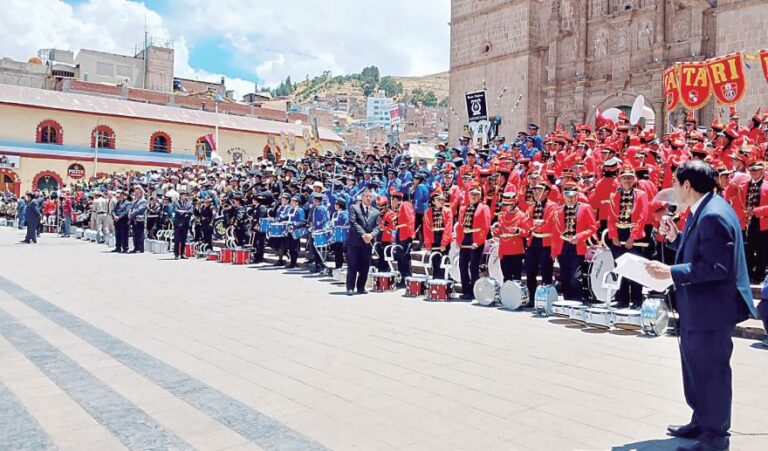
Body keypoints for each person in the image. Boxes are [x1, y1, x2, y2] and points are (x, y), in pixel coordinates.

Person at [647, 161, 757, 451]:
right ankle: (702, 420)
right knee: (696, 369)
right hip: (700, 308)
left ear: (687, 186)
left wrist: (670, 271)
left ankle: (715, 437)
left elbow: (717, 267)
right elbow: (702, 249)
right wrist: (676, 238)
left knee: (711, 372)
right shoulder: (707, 209)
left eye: (675, 183)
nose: (673, 190)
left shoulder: (713, 215)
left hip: (711, 311)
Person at [551, 181, 598, 302]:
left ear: (577, 196)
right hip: (562, 247)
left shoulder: (585, 208)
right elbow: (555, 233)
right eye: (568, 196)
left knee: (574, 277)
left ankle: (577, 301)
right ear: (564, 196)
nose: (570, 199)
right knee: (565, 277)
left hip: (577, 247)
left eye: (572, 196)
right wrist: (554, 251)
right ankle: (567, 302)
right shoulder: (558, 211)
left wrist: (580, 236)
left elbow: (592, 228)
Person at [455, 185, 491, 300]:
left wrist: (478, 242)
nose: (474, 196)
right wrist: (458, 240)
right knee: (462, 265)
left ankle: (474, 291)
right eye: (472, 194)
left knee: (474, 267)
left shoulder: (484, 208)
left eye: (476, 194)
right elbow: (460, 225)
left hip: (476, 238)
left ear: (479, 196)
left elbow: (485, 227)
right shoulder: (463, 208)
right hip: (465, 237)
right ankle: (466, 290)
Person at [347, 189, 380, 295]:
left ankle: (361, 287)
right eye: (366, 196)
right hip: (355, 242)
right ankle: (350, 288)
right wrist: (363, 234)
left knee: (365, 266)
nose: (369, 198)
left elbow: (378, 226)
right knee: (352, 265)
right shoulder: (354, 208)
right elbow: (353, 222)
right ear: (362, 197)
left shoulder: (376, 212)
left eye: (370, 196)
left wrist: (371, 235)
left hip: (367, 243)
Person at [492, 192, 528, 282]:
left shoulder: (521, 215)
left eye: (507, 205)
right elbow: (499, 233)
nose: (505, 207)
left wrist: (518, 230)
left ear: (514, 203)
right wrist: (494, 230)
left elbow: (526, 232)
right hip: (504, 250)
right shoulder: (502, 215)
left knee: (516, 278)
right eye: (504, 205)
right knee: (506, 277)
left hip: (516, 250)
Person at [422, 189, 453, 279]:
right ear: (433, 201)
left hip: (444, 237)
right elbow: (426, 229)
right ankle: (436, 281)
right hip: (434, 237)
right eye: (438, 199)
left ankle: (444, 281)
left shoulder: (448, 211)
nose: (441, 201)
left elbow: (448, 228)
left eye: (442, 199)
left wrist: (444, 243)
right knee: (435, 259)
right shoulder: (428, 212)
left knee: (444, 260)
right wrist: (427, 244)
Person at [391, 191, 415, 285]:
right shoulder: (399, 207)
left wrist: (410, 236)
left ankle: (407, 277)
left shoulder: (405, 205)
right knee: (400, 257)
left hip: (405, 234)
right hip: (400, 233)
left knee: (404, 257)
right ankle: (403, 277)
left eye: (393, 199)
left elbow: (410, 220)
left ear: (396, 199)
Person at [172, 190, 193, 259]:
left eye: (186, 195)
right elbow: (176, 210)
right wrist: (184, 212)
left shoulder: (189, 203)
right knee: (177, 239)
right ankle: (176, 254)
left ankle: (182, 253)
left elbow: (190, 211)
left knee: (184, 239)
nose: (185, 197)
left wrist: (183, 212)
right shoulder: (176, 203)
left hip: (185, 223)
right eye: (183, 195)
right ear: (180, 196)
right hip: (178, 224)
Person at [330, 198, 349, 269]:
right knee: (337, 253)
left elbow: (347, 224)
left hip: (343, 236)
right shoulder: (335, 213)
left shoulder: (344, 213)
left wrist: (339, 227)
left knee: (342, 252)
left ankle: (341, 266)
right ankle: (337, 266)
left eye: (336, 204)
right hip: (336, 236)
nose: (335, 205)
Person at [128, 186, 148, 253]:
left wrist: (131, 214)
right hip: (134, 219)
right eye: (135, 193)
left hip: (140, 219)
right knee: (135, 234)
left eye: (137, 193)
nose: (136, 195)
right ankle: (136, 247)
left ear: (141, 193)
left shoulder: (143, 201)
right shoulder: (135, 201)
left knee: (140, 234)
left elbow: (139, 210)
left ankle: (140, 248)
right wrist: (129, 213)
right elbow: (131, 208)